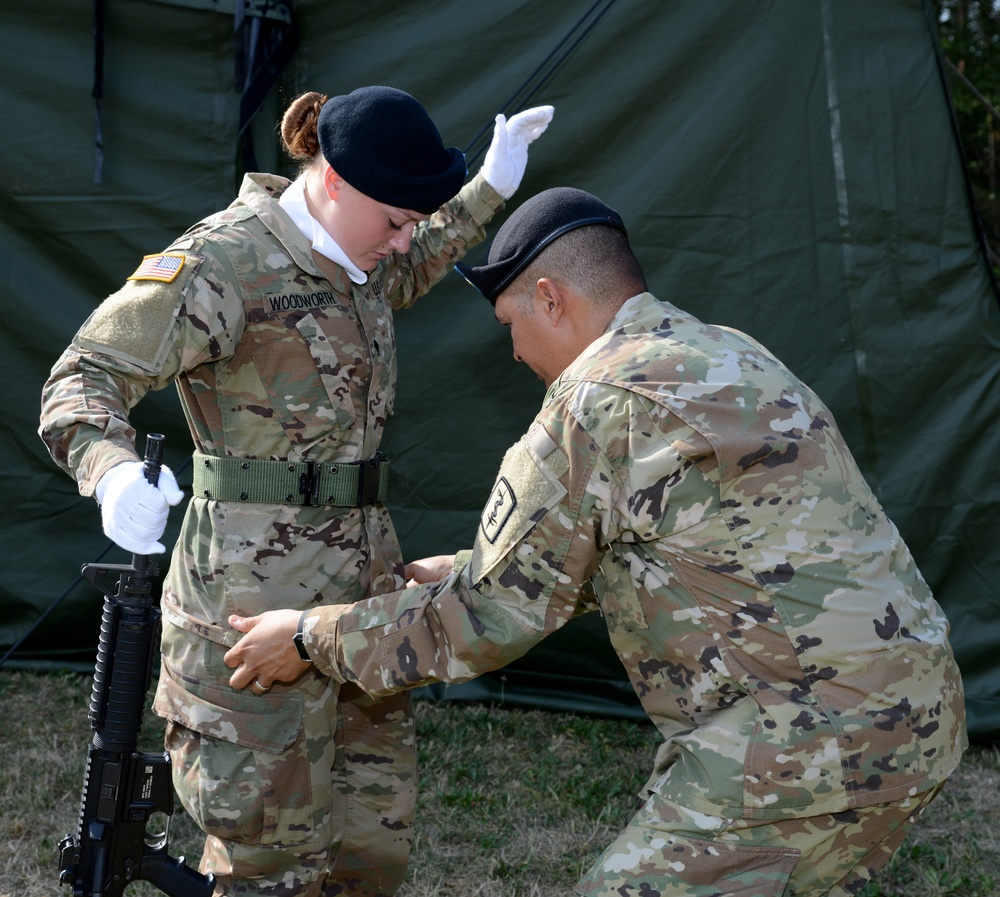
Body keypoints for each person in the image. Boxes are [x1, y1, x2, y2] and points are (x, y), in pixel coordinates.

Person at [221, 186, 967, 896]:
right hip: (918, 710)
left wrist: (312, 636)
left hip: (804, 739)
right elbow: (691, 547)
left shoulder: (593, 402)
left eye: (512, 323)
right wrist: (463, 567)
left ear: (552, 298)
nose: (514, 352)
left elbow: (485, 617)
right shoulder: (729, 353)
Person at [39, 86, 553, 896]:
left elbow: (415, 253)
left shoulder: (363, 255)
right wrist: (106, 470)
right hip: (247, 619)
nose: (405, 239)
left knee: (366, 849)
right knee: (266, 859)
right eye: (393, 220)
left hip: (360, 608)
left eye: (411, 222)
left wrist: (488, 184)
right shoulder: (224, 262)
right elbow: (82, 376)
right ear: (337, 181)